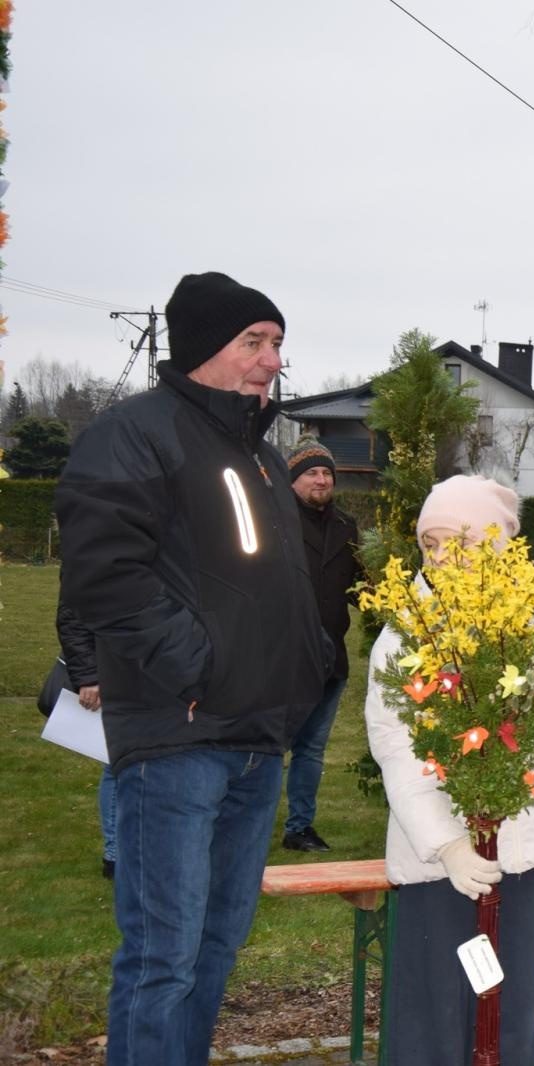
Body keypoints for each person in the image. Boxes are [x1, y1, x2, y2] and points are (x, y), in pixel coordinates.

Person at [54, 271, 333, 1066]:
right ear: (205, 345)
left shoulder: (265, 458)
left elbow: (278, 588)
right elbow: (105, 574)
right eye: (254, 341)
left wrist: (305, 668)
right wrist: (195, 668)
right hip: (176, 741)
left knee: (214, 952)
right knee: (163, 958)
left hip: (255, 740)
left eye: (277, 342)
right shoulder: (134, 434)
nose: (271, 359)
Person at [365, 474, 534, 1066]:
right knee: (435, 1019)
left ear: (498, 546)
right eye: (431, 545)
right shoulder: (406, 634)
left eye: (462, 543)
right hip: (435, 869)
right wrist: (446, 845)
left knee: (505, 1013)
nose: (443, 558)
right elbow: (398, 746)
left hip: (514, 861)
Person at [280, 434, 362, 852]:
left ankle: (299, 827)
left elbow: (362, 588)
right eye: (310, 472)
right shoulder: (274, 521)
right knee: (269, 746)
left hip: (332, 660)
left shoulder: (347, 527)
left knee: (311, 749)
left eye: (326, 473)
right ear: (293, 478)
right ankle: (248, 825)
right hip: (282, 658)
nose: (320, 480)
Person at [56, 602, 115, 879]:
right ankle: (115, 855)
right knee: (117, 762)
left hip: (154, 668)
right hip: (113, 667)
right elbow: (72, 615)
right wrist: (88, 676)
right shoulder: (89, 558)